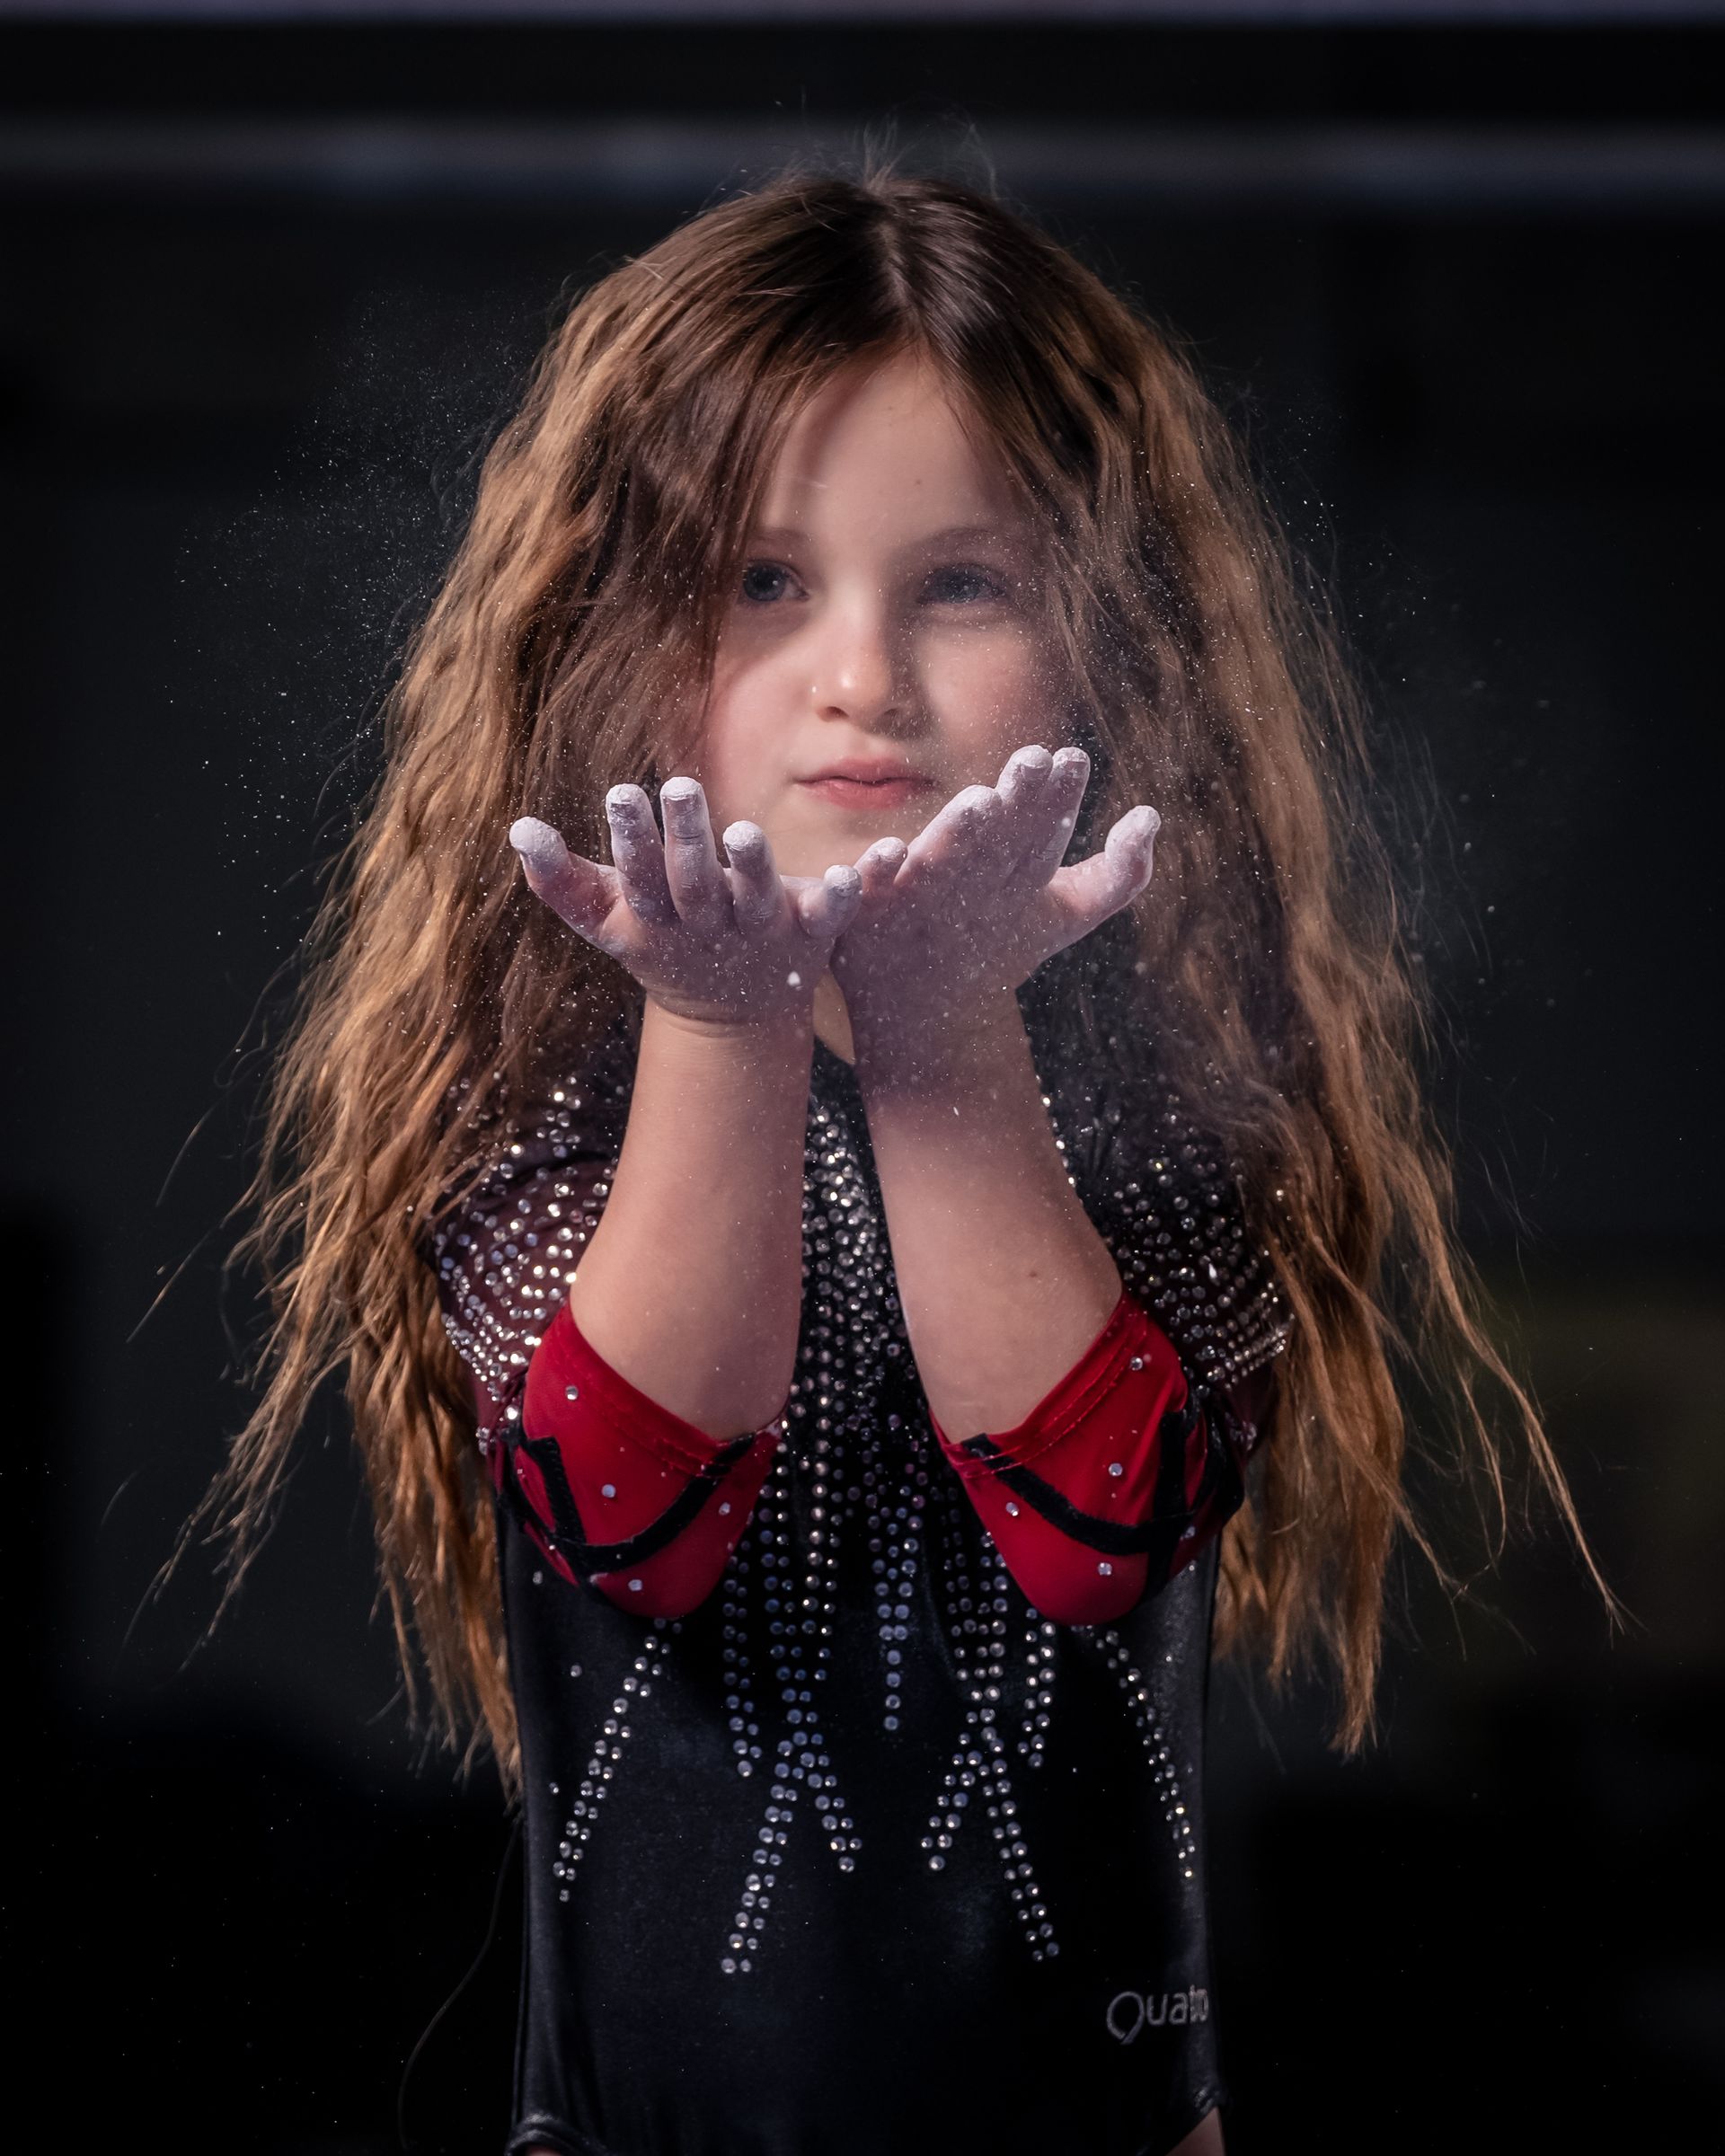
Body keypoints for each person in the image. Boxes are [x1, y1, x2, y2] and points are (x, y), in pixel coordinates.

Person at [198, 163, 1610, 2156]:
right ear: (619, 627)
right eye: (764, 579)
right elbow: (627, 1512)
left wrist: (948, 1035)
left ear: (1115, 646)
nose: (863, 672)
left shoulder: (1174, 1094)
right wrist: (715, 1022)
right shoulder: (540, 1090)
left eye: (963, 580)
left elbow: (1100, 1532)